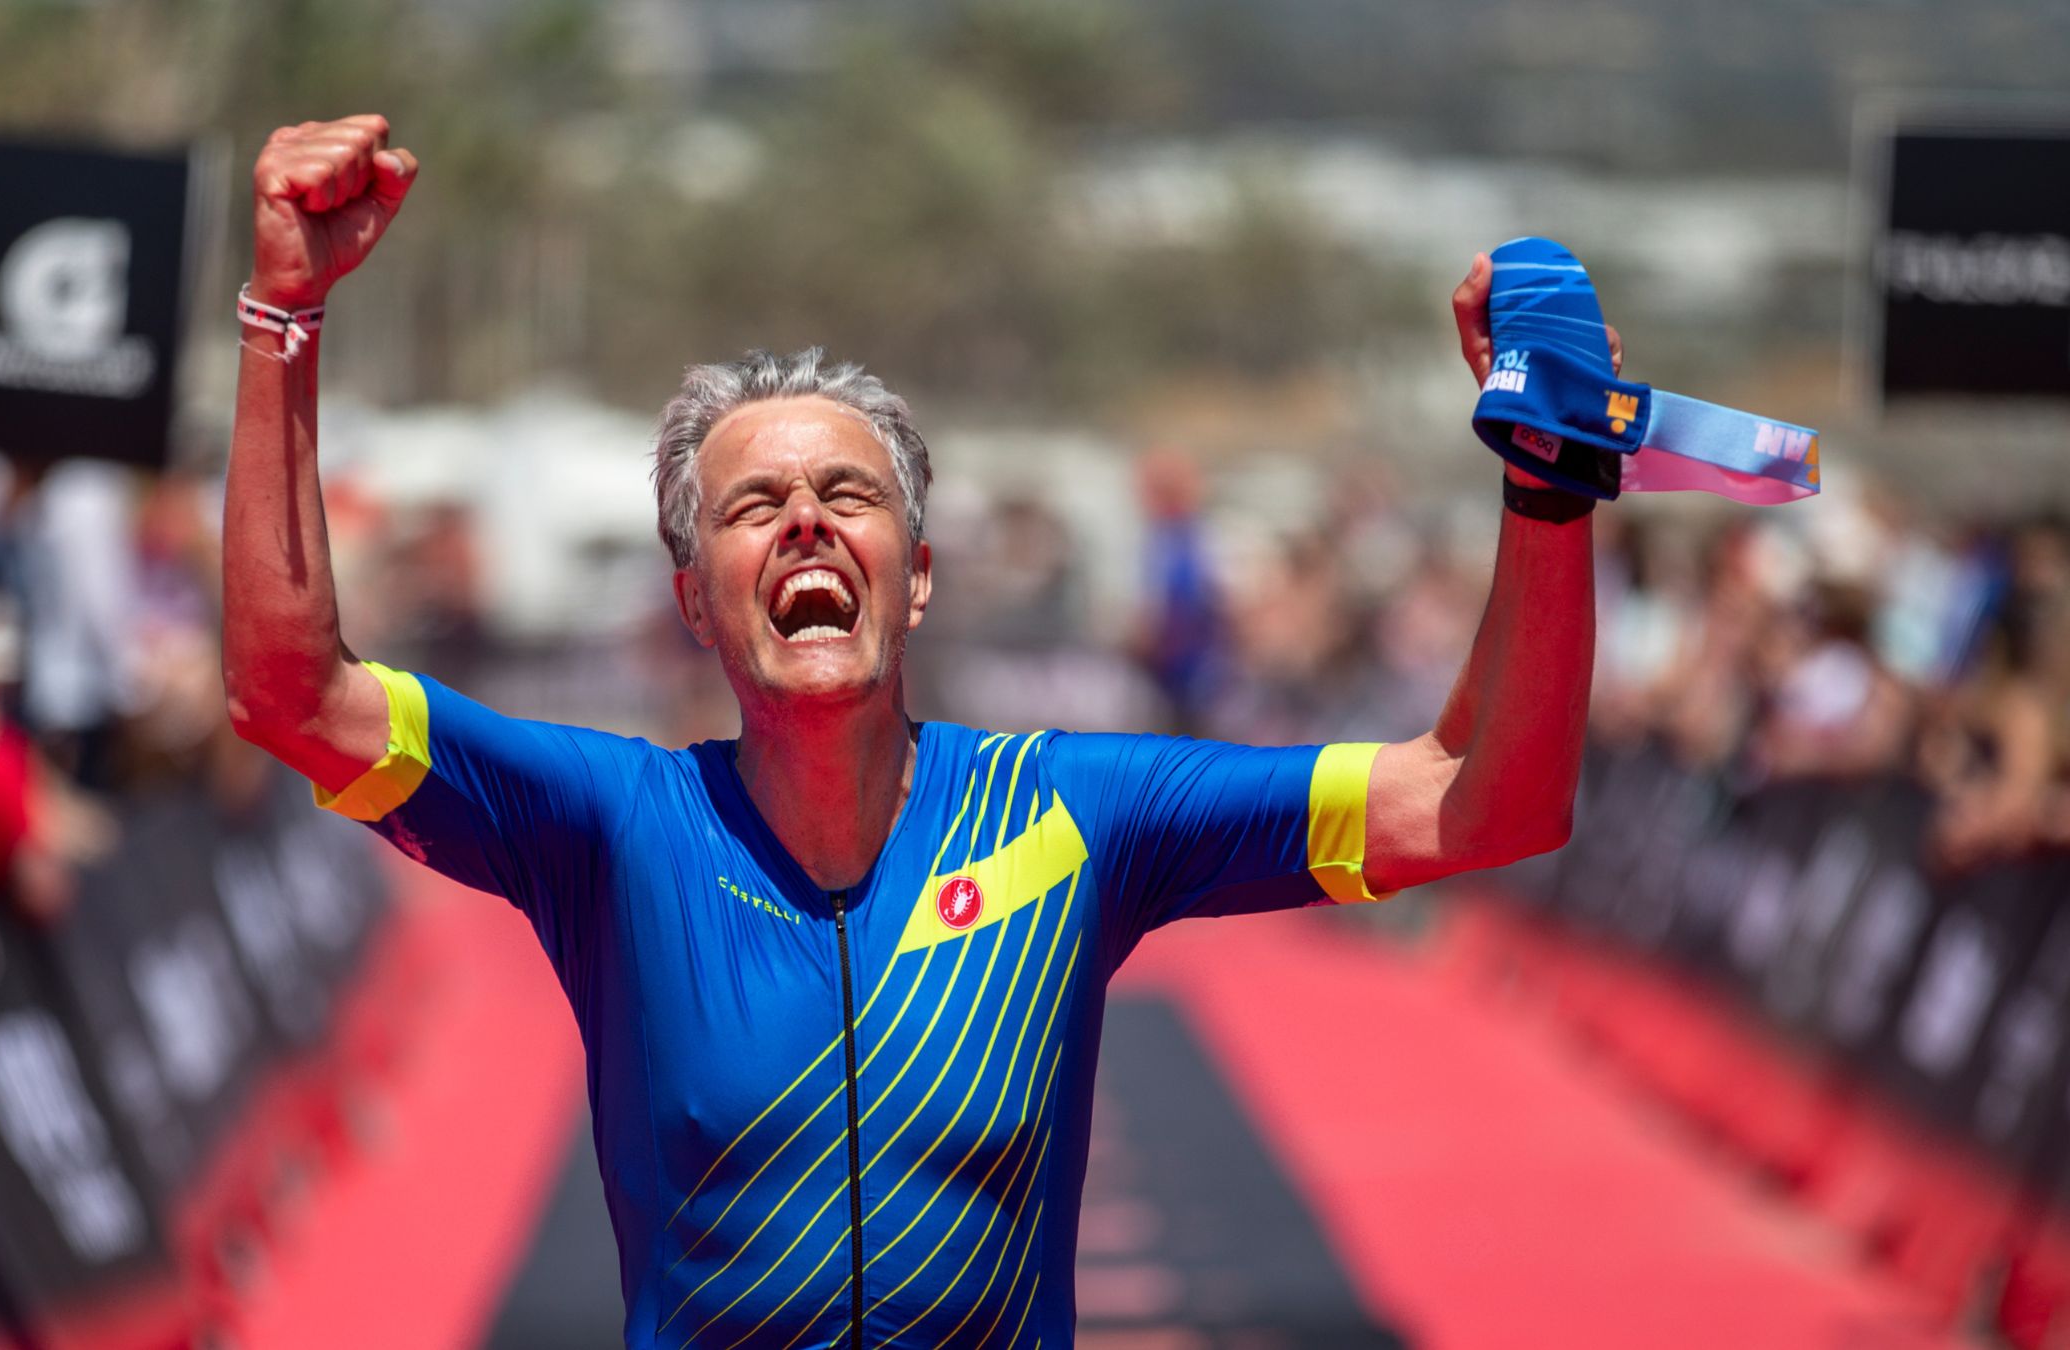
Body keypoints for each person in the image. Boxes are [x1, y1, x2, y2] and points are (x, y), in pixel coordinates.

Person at [223, 115, 1598, 1348]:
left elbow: (1485, 803)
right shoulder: (613, 828)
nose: (805, 522)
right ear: (693, 600)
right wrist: (282, 315)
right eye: (753, 507)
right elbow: (292, 696)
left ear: (920, 574)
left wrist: (1547, 487)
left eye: (847, 494)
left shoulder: (1068, 817)